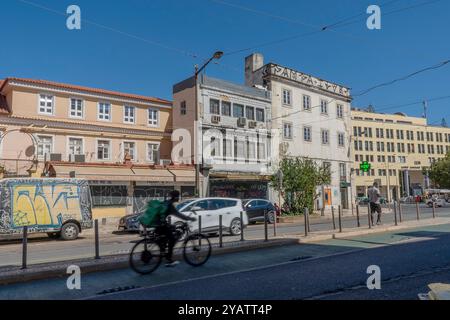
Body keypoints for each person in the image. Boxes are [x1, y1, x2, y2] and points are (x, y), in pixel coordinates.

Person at [155, 190, 196, 267]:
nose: (178, 198)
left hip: (157, 224)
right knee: (172, 239)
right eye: (178, 196)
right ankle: (169, 259)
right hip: (161, 225)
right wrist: (190, 218)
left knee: (170, 230)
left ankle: (163, 252)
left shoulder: (166, 202)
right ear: (176, 197)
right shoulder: (170, 205)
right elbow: (179, 215)